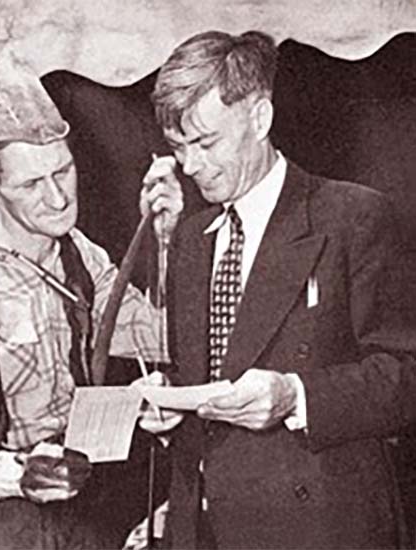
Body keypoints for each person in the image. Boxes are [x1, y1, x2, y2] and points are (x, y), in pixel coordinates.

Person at [140, 30, 416, 549]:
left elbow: (406, 374)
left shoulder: (352, 217)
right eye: (178, 148)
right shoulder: (193, 243)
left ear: (260, 118)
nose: (191, 166)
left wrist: (296, 396)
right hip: (207, 531)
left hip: (320, 531)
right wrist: (170, 402)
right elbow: (211, 375)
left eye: (206, 143)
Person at [0, 54, 182, 550]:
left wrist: (168, 239)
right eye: (30, 184)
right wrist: (18, 474)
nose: (57, 198)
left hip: (80, 491)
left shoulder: (79, 253)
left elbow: (159, 336)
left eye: (62, 171)